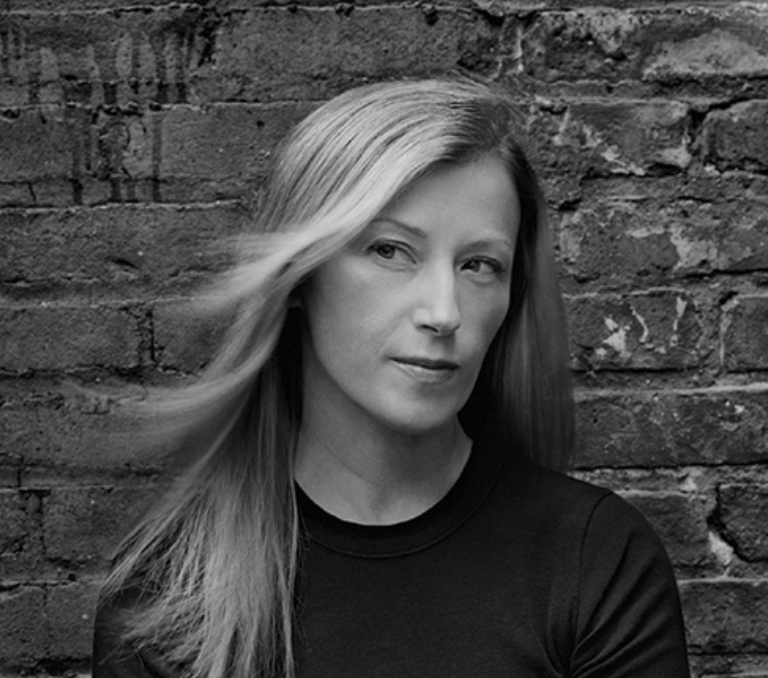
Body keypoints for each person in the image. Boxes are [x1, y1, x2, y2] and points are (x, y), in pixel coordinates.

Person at [92, 78, 691, 678]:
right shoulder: (168, 589)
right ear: (302, 276)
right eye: (390, 251)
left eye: (480, 265)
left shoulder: (597, 562)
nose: (443, 312)